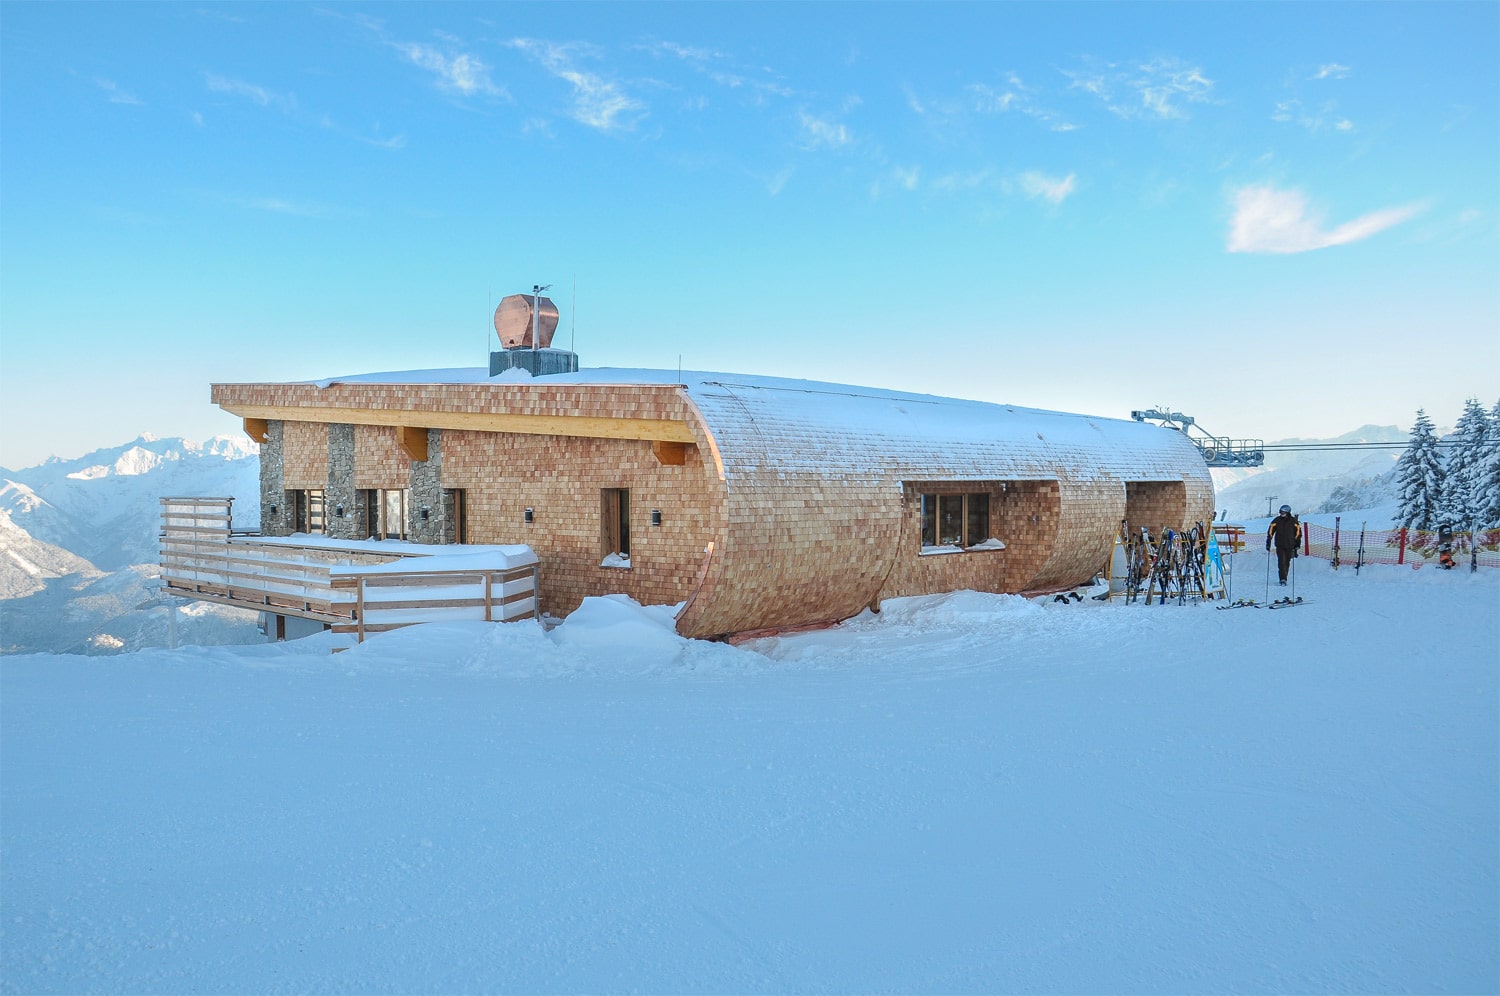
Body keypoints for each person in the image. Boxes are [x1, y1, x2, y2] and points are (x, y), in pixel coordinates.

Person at [1266, 504, 1301, 586]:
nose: (1281, 513)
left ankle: (1285, 577)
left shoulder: (1293, 521)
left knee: (1287, 563)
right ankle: (1282, 579)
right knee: (1281, 562)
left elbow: (1298, 533)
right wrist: (1268, 541)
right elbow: (1271, 530)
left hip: (1290, 545)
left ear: (1288, 512)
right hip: (1280, 545)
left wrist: (1297, 544)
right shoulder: (1277, 520)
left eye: (1283, 512)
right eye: (1281, 512)